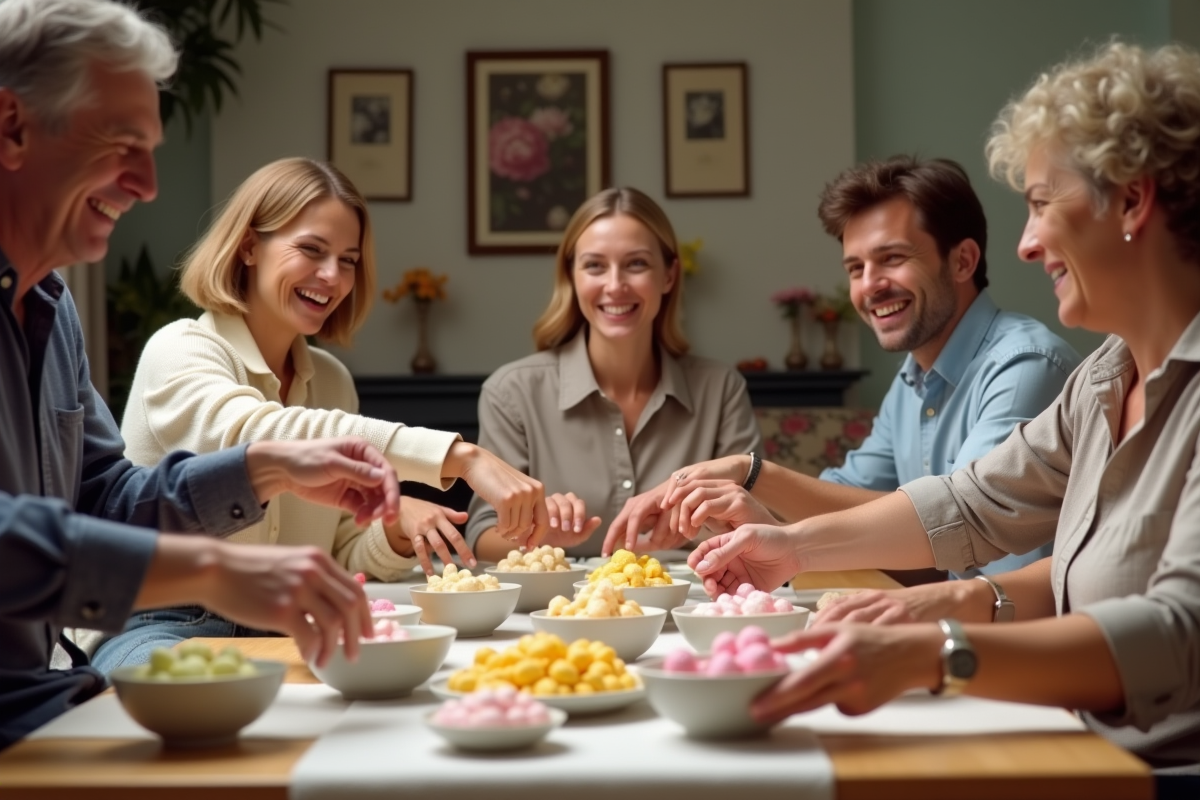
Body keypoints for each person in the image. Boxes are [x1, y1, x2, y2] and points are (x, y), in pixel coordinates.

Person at [689, 42, 1200, 779]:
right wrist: (792, 551)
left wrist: (937, 650)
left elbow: (1178, 637)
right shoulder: (1104, 378)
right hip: (1081, 743)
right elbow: (972, 502)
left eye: (1039, 204)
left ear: (1131, 199)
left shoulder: (1049, 364)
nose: (1023, 245)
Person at [0, 0, 402, 749]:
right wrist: (212, 567)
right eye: (123, 142)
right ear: (12, 127)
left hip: (42, 704)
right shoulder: (180, 344)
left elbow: (102, 498)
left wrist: (262, 469)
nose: (150, 183)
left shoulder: (52, 313)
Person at [88, 156, 549, 672]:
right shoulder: (180, 349)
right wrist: (458, 455)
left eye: (348, 259)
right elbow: (257, 435)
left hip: (288, 624)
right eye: (311, 249)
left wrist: (397, 531)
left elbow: (343, 549)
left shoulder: (330, 380)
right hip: (163, 622)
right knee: (196, 703)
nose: (331, 276)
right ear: (247, 247)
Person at [612, 157, 1081, 580]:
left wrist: (750, 473)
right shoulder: (912, 379)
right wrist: (750, 515)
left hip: (1022, 643)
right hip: (957, 625)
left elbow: (957, 517)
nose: (869, 286)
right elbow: (849, 496)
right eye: (855, 268)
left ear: (963, 260)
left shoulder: (1022, 366)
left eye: (892, 258)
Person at [466, 187, 761, 561]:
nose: (615, 285)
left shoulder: (721, 390)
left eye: (636, 264)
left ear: (669, 275)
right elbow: (482, 534)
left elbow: (755, 526)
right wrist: (538, 536)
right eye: (594, 265)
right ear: (571, 276)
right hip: (563, 612)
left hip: (696, 607)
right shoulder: (511, 393)